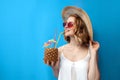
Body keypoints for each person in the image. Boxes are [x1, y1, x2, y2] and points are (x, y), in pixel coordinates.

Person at [46, 6, 100, 80]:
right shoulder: (59, 50)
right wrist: (54, 67)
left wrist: (93, 54)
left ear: (79, 27)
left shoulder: (90, 51)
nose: (66, 27)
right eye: (65, 24)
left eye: (70, 24)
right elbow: (58, 75)